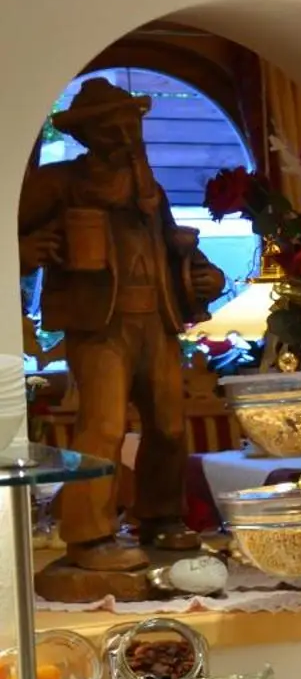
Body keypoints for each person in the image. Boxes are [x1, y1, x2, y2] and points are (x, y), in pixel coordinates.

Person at [18, 79, 225, 571]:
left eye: (131, 126)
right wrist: (26, 250)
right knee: (104, 426)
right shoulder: (58, 183)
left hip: (157, 321)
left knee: (169, 425)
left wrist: (205, 276)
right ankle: (89, 536)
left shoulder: (148, 188)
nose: (126, 137)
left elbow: (174, 246)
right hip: (100, 325)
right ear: (87, 134)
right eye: (112, 128)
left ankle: (161, 517)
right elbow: (10, 234)